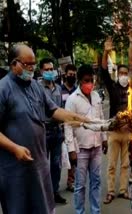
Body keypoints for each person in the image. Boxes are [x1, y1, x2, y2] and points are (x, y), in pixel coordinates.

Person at [0, 44, 88, 214]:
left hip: (39, 164)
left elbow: (54, 110)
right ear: (14, 64)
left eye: (33, 64)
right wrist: (15, 148)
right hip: (15, 170)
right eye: (27, 64)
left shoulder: (35, 86)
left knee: (43, 207)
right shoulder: (3, 89)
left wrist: (78, 118)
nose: (32, 68)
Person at [65, 64, 107, 214]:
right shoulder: (72, 100)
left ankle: (96, 211)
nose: (90, 83)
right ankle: (80, 212)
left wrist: (104, 138)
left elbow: (101, 118)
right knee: (80, 185)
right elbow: (68, 126)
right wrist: (71, 150)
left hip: (96, 147)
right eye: (86, 80)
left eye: (91, 80)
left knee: (96, 182)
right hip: (81, 149)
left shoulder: (96, 96)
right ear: (79, 81)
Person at [100, 37, 131, 204]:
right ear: (118, 75)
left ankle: (123, 190)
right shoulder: (113, 88)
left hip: (128, 133)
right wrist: (106, 51)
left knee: (126, 164)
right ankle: (111, 192)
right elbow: (104, 72)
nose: (124, 76)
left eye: (126, 74)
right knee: (111, 165)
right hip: (114, 132)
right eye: (122, 74)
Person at [38, 57, 67, 204]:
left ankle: (54, 192)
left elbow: (60, 108)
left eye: (51, 69)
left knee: (56, 164)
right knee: (42, 164)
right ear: (41, 71)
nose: (50, 72)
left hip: (57, 131)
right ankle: (43, 194)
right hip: (43, 130)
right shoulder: (36, 88)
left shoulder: (58, 88)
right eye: (47, 70)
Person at [61, 64, 78, 192]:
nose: (72, 76)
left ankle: (71, 181)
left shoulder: (77, 91)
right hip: (62, 127)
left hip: (75, 128)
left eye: (74, 74)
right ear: (65, 74)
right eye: (70, 74)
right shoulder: (60, 90)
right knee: (62, 157)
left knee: (74, 156)